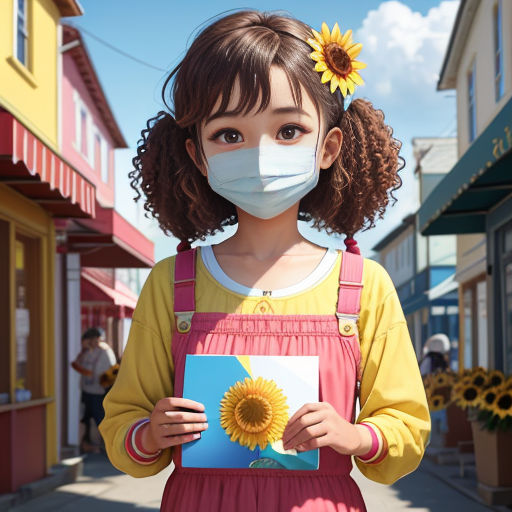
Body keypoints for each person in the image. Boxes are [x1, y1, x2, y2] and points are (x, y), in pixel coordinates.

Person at [100, 11, 430, 511]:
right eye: (229, 134)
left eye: (289, 129)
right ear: (198, 155)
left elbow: (405, 427)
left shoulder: (364, 285)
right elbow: (123, 425)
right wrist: (150, 432)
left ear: (329, 145)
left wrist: (354, 435)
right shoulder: (172, 282)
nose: (260, 154)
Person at [72, 327, 116, 449]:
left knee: (100, 419)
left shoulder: (104, 351)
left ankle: (109, 445)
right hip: (87, 390)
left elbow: (108, 373)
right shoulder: (88, 351)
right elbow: (77, 364)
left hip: (99, 392)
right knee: (86, 418)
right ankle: (90, 444)